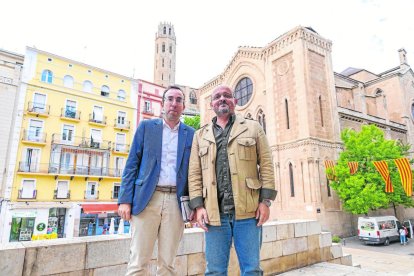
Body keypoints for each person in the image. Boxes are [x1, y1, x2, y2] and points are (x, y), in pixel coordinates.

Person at [188, 85, 277, 275]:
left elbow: (267, 165)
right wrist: (198, 207)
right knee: (214, 272)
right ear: (212, 104)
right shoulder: (200, 135)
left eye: (227, 96)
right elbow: (194, 174)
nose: (222, 99)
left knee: (252, 270)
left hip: (248, 212)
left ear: (234, 102)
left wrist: (266, 201)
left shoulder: (253, 127)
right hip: (214, 214)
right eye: (217, 96)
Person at [118, 85, 195, 276]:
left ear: (183, 106)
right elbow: (131, 165)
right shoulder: (146, 128)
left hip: (176, 203)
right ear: (162, 104)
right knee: (138, 262)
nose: (174, 103)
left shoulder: (191, 134)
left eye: (178, 100)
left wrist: (196, 205)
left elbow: (195, 172)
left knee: (168, 264)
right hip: (146, 199)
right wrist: (125, 200)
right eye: (170, 99)